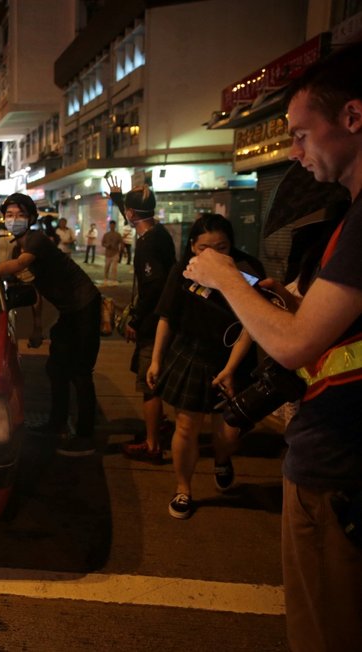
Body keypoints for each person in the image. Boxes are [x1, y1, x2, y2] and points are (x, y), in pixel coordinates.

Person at [184, 41, 362, 651]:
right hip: (340, 460)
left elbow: (293, 346)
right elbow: (322, 325)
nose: (293, 151)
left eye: (299, 133)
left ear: (352, 118)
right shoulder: (347, 218)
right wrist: (271, 295)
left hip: (338, 467)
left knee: (325, 632)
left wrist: (226, 275)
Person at [0, 192, 101, 456]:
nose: (14, 220)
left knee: (80, 373)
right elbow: (34, 291)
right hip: (70, 312)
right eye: (9, 215)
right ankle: (56, 425)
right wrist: (36, 328)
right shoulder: (21, 245)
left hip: (84, 307)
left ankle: (85, 437)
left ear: (32, 218)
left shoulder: (35, 240)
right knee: (56, 368)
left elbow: (17, 266)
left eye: (20, 215)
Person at [149, 213, 263, 521]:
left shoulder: (248, 271)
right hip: (191, 355)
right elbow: (166, 317)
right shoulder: (183, 271)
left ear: (233, 245)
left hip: (233, 357)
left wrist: (230, 368)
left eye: (222, 247)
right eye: (203, 248)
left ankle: (222, 459)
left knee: (227, 431)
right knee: (186, 426)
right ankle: (183, 488)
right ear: (191, 246)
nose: (212, 255)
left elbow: (250, 327)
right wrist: (157, 359)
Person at [109, 182, 177, 462]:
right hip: (164, 317)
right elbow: (135, 215)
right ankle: (157, 427)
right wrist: (117, 198)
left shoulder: (148, 245)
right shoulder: (158, 232)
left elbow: (152, 287)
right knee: (152, 380)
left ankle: (152, 445)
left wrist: (135, 320)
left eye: (127, 211)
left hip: (153, 323)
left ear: (132, 214)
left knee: (149, 384)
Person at [100, 219, 123, 287]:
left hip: (115, 253)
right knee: (107, 267)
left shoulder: (118, 234)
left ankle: (113, 280)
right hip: (108, 253)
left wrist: (122, 250)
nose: (112, 226)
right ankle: (106, 278)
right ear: (109, 226)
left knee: (114, 268)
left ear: (115, 226)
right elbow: (102, 243)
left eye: (113, 225)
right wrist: (107, 245)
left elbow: (121, 243)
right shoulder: (106, 234)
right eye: (111, 225)